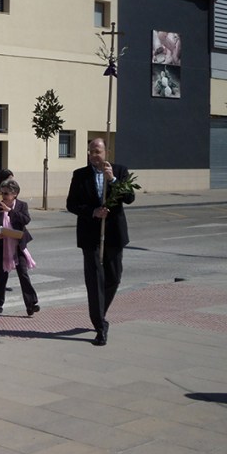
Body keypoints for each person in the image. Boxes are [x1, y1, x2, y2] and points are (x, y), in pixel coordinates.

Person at [67, 138, 135, 347]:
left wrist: (112, 180)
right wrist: (93, 212)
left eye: (97, 151)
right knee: (95, 279)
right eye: (91, 151)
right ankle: (100, 326)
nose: (94, 155)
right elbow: (71, 204)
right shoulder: (80, 175)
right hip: (90, 235)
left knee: (114, 277)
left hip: (113, 233)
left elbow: (130, 198)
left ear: (106, 151)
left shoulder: (119, 171)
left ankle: (99, 311)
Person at [0, 178, 39, 316]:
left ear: (15, 194)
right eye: (1, 193)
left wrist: (10, 211)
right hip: (1, 246)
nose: (3, 196)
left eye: (6, 193)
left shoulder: (21, 205)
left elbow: (26, 220)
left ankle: (31, 304)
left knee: (23, 275)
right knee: (1, 277)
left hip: (18, 246)